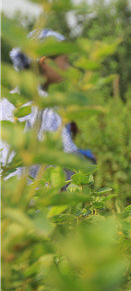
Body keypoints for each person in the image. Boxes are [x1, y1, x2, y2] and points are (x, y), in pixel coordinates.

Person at [1, 28, 95, 179]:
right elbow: (66, 162)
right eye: (65, 60)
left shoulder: (7, 101)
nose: (69, 67)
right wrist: (87, 160)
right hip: (36, 197)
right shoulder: (45, 106)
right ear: (45, 62)